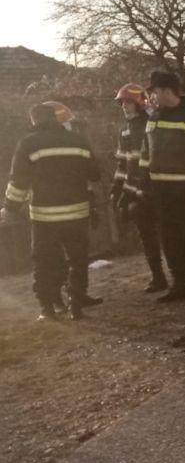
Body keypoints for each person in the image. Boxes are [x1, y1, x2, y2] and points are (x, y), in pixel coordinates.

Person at [2, 102, 102, 321]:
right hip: (77, 212)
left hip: (44, 216)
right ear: (55, 119)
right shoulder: (78, 141)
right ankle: (76, 304)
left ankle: (47, 308)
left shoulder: (28, 143)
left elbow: (18, 181)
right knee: (77, 259)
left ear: (34, 120)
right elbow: (95, 174)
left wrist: (9, 207)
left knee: (45, 260)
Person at [138, 70, 185, 302]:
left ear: (166, 91)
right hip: (161, 192)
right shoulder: (153, 118)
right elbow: (145, 155)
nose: (152, 97)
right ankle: (180, 284)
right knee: (169, 239)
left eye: (154, 92)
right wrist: (144, 187)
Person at [109, 83, 167, 293]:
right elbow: (123, 163)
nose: (124, 106)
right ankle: (158, 277)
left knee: (169, 234)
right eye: (122, 102)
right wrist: (117, 188)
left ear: (139, 103)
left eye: (128, 102)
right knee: (146, 235)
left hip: (156, 188)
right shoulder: (124, 129)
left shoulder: (153, 123)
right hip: (136, 191)